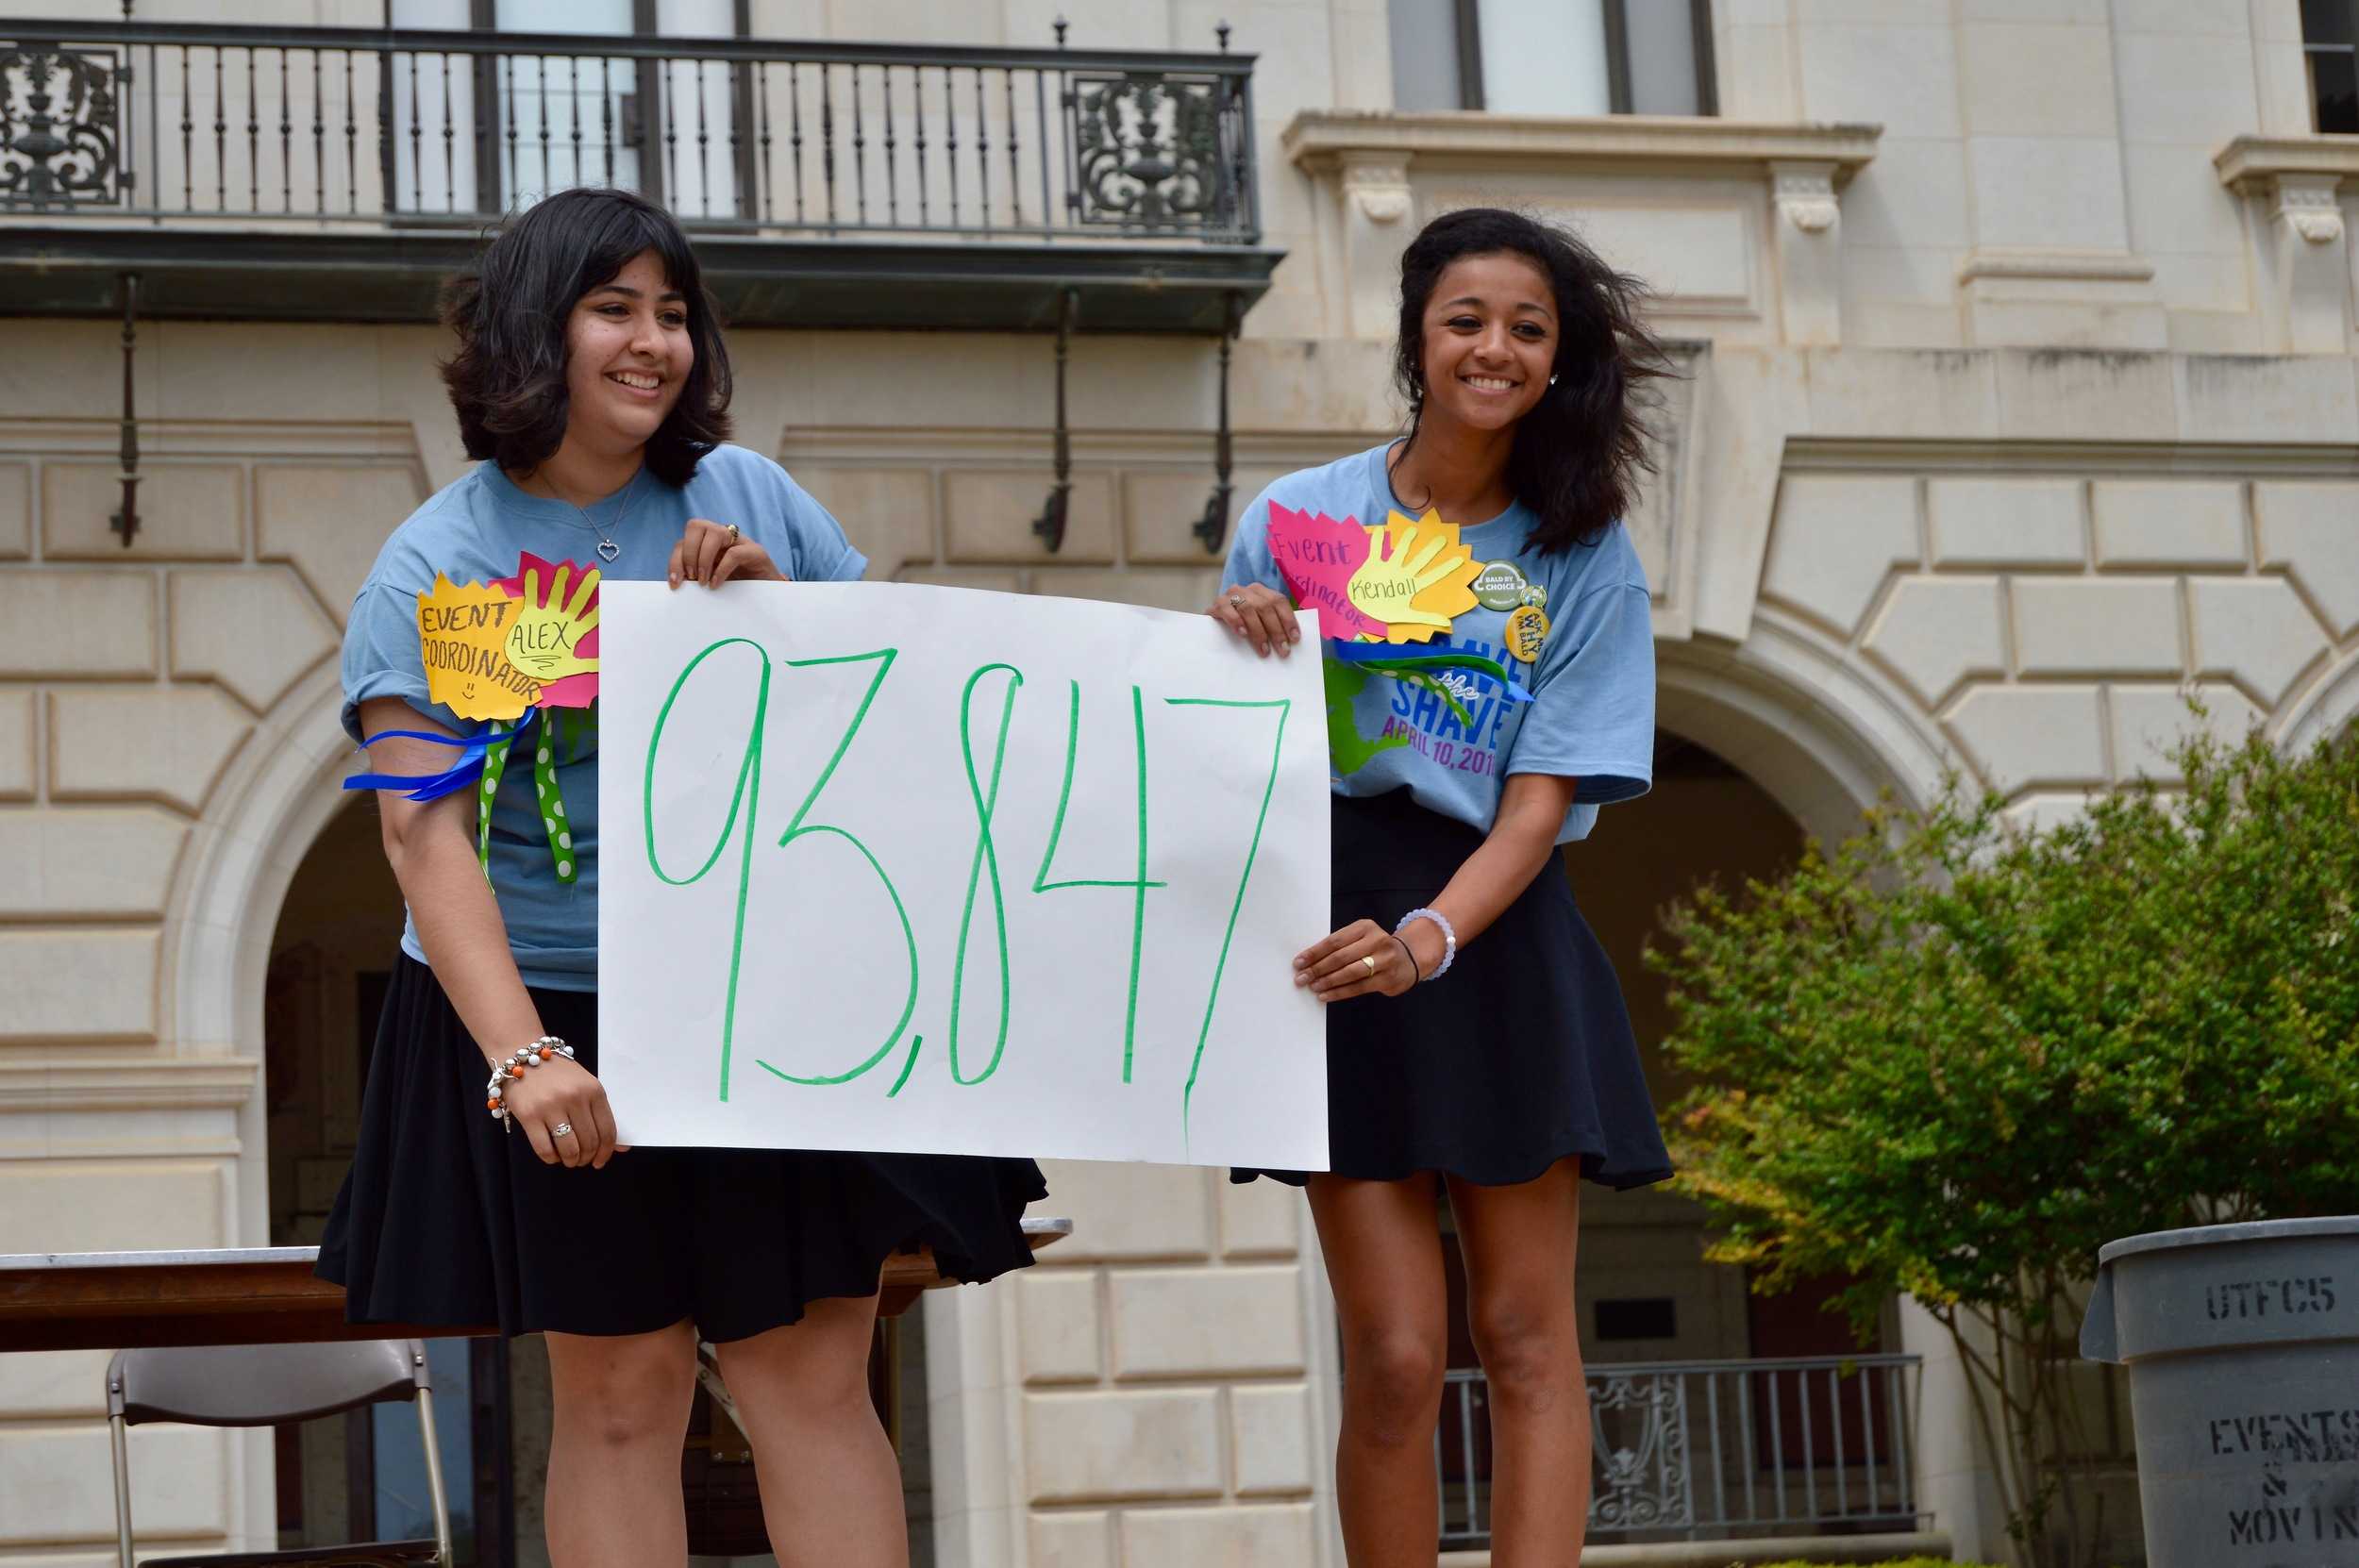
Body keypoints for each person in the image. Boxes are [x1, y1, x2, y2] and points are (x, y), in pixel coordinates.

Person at [318, 187, 1046, 1568]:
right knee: (619, 1396)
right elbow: (422, 834)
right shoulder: (436, 561)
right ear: (541, 330)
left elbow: (899, 720)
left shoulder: (750, 493)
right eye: (615, 308)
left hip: (758, 990)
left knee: (809, 1379)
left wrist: (783, 611)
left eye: (672, 311)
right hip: (548, 1008)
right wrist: (526, 1053)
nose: (654, 340)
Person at [1211, 206, 1673, 1566]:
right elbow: (1224, 747)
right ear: (1417, 334)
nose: (1496, 347)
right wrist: (1234, 634)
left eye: (1528, 328)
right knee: (1399, 1352)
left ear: (1557, 358)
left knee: (1526, 1333)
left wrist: (1429, 938)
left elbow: (1540, 808)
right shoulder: (1295, 519)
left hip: (1489, 927)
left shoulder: (1583, 550)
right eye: (1468, 319)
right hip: (1326, 932)